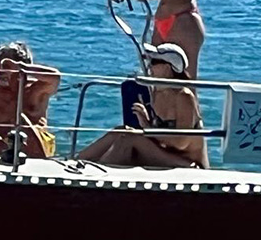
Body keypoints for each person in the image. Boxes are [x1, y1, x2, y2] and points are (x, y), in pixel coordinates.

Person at [77, 42, 209, 169]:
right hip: (166, 153)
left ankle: (98, 172)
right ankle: (75, 161)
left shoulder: (183, 96)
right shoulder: (157, 93)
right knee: (121, 131)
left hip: (187, 162)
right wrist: (147, 123)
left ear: (168, 67)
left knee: (130, 139)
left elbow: (181, 143)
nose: (149, 67)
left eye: (154, 62)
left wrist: (148, 127)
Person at [0, 41, 59, 159]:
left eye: (6, 66)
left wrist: (22, 68)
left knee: (20, 119)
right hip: (7, 144)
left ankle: (40, 162)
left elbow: (55, 77)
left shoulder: (36, 90)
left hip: (36, 145)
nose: (0, 70)